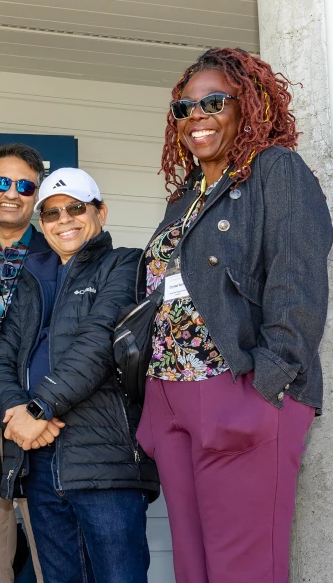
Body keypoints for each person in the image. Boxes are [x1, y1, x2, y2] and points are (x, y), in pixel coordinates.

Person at [137, 47, 333, 583]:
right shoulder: (186, 195)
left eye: (213, 102)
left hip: (239, 387)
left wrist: (264, 389)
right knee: (194, 570)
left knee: (243, 570)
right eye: (184, 108)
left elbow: (299, 287)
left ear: (247, 107)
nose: (195, 116)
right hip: (170, 397)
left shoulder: (275, 172)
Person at [0, 168, 159, 583]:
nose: (64, 220)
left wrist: (38, 407)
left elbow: (97, 343)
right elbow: (1, 357)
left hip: (104, 459)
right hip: (41, 459)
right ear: (41, 224)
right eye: (51, 213)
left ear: (101, 212)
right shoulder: (32, 277)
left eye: (76, 208)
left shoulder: (126, 264)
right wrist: (17, 413)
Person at [0, 143, 44, 583]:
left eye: (24, 185)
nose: (11, 193)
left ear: (35, 195)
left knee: (50, 558)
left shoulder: (56, 255)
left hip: (41, 423)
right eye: (1, 182)